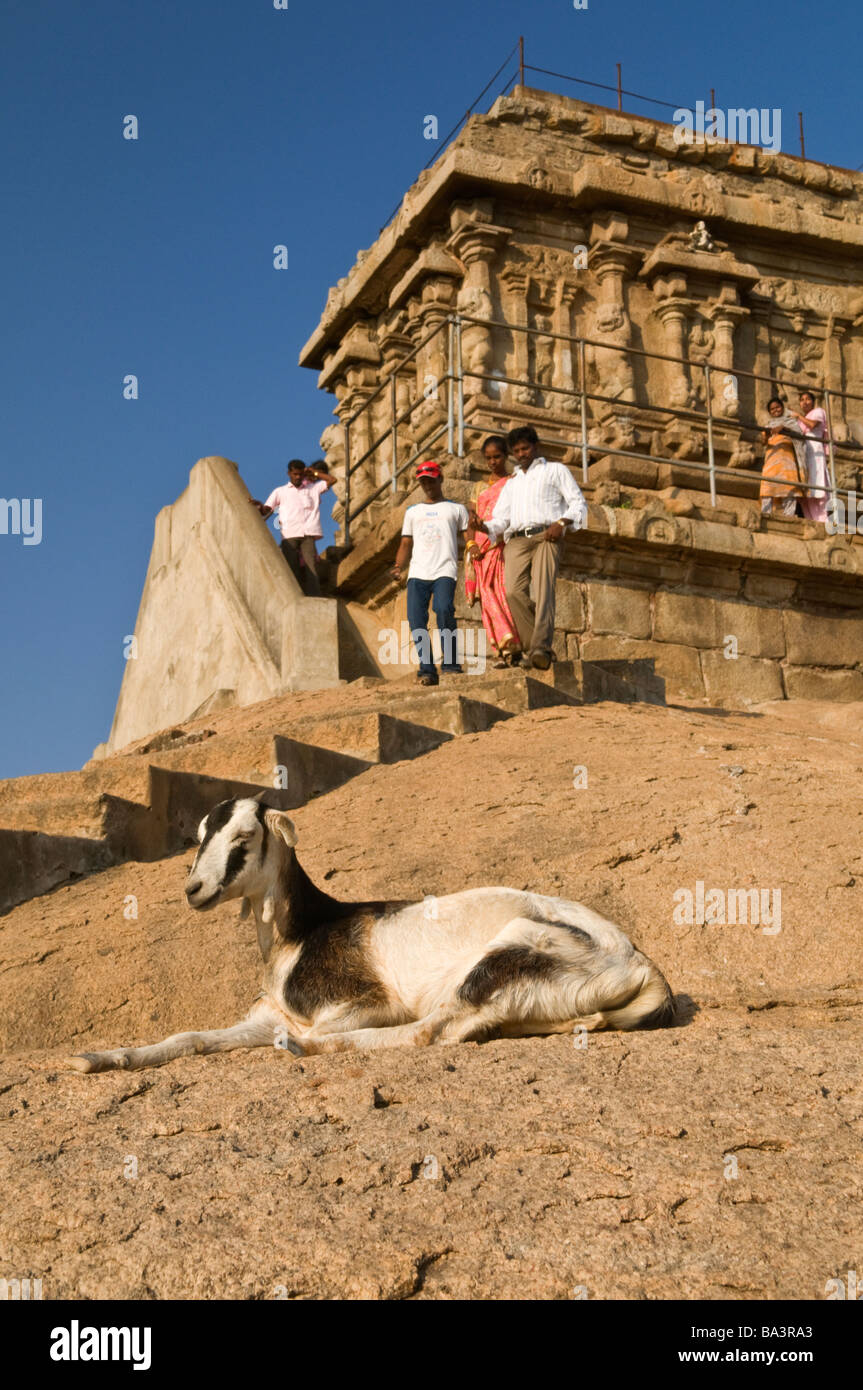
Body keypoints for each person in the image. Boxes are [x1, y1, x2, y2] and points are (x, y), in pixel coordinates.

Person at [469, 425, 587, 671]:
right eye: (517, 450)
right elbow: (501, 520)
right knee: (512, 592)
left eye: (525, 448)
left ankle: (540, 647)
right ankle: (534, 647)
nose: (521, 454)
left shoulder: (555, 470)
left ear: (536, 447)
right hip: (517, 540)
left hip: (547, 535)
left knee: (544, 591)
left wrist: (562, 522)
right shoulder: (513, 482)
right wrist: (482, 527)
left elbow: (578, 503)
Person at [392, 461, 469, 686]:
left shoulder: (456, 509)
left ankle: (451, 663)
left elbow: (468, 535)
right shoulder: (413, 512)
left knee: (444, 610)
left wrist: (477, 552)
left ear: (440, 478)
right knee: (417, 620)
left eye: (431, 480)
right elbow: (406, 542)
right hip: (418, 572)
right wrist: (398, 566)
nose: (427, 485)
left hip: (445, 569)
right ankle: (427, 669)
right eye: (423, 481)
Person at [465, 435, 521, 668]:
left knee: (502, 592)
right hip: (479, 549)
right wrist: (471, 545)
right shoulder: (478, 487)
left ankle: (513, 644)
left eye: (497, 456)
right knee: (486, 598)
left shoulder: (514, 482)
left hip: (501, 544)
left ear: (506, 456)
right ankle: (500, 649)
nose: (492, 462)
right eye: (488, 458)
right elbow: (470, 519)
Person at [250, 458, 333, 596]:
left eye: (300, 474)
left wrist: (314, 473)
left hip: (308, 533)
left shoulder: (312, 488)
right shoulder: (280, 491)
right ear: (289, 473)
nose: (298, 477)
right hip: (289, 535)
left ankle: (314, 597)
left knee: (311, 568)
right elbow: (266, 510)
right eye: (295, 474)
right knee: (292, 568)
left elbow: (332, 480)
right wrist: (259, 505)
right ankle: (295, 596)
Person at [760, 396, 806, 518]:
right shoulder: (768, 424)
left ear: (782, 407)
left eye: (778, 407)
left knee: (789, 485)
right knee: (767, 485)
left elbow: (800, 435)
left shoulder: (790, 422)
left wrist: (784, 428)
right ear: (769, 412)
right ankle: (766, 513)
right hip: (772, 457)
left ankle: (789, 515)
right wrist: (765, 435)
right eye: (772, 409)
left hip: (787, 458)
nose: (775, 410)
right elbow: (763, 442)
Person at [792, 390, 829, 524]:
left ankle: (823, 520)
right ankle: (812, 520)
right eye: (802, 400)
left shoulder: (818, 412)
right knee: (807, 489)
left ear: (813, 402)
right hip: (805, 453)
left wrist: (797, 416)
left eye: (808, 399)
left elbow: (813, 425)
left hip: (815, 452)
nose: (805, 402)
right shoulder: (802, 420)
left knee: (817, 486)